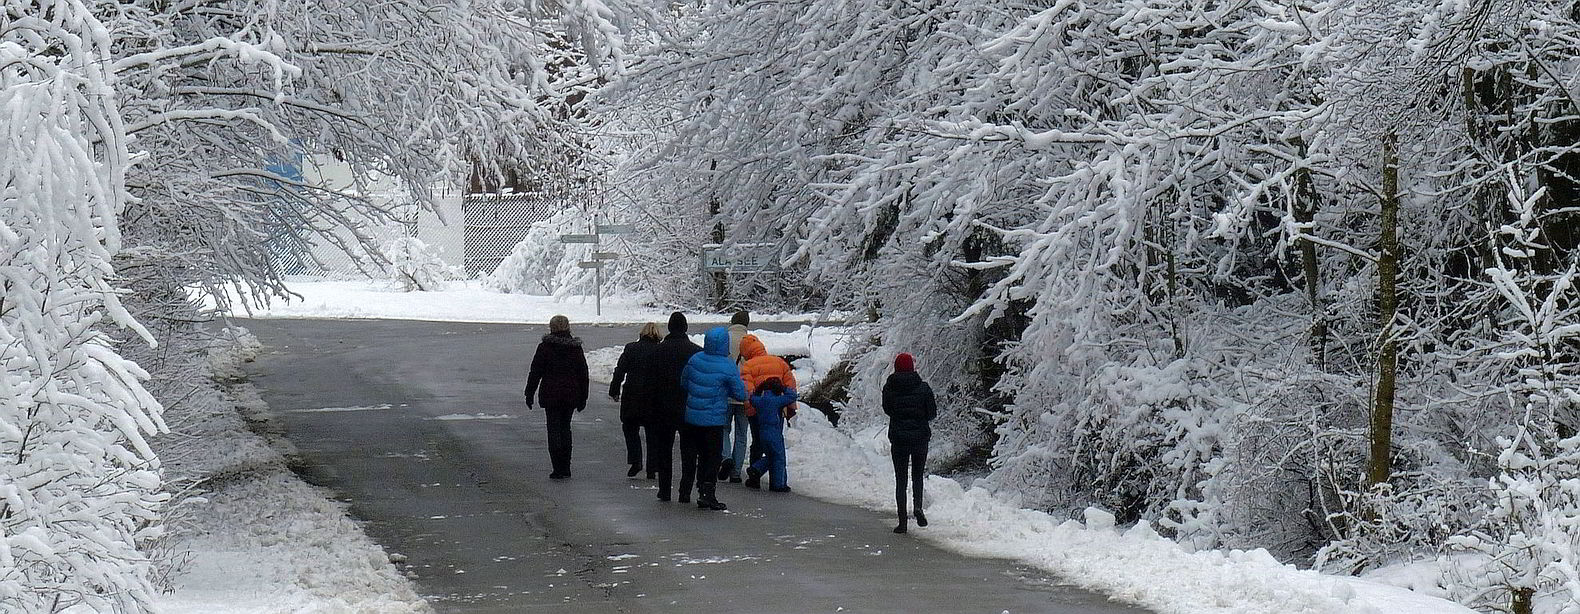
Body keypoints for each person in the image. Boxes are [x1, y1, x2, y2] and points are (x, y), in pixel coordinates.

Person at [681, 326, 747, 511]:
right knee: (711, 457)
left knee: (695, 455)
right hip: (713, 420)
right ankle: (707, 492)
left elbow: (683, 382)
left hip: (692, 417)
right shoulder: (727, 365)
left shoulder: (694, 359)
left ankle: (693, 489)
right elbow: (740, 393)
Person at [524, 315, 589, 480]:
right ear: (568, 327)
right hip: (570, 394)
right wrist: (583, 397)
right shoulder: (575, 349)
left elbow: (535, 372)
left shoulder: (545, 348)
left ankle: (557, 468)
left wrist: (529, 393)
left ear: (551, 328)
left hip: (551, 394)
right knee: (565, 428)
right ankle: (566, 467)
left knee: (553, 429)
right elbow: (583, 375)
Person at [650, 312, 701, 501]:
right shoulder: (696, 352)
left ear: (669, 328)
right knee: (689, 451)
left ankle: (664, 489)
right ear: (686, 328)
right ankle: (685, 491)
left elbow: (650, 382)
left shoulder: (657, 352)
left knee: (664, 450)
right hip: (689, 407)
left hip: (662, 408)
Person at [882, 352, 936, 533]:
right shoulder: (924, 388)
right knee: (918, 475)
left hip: (899, 439)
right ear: (912, 368)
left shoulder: (890, 388)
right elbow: (932, 414)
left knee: (901, 479)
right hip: (920, 438)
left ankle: (902, 521)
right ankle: (918, 507)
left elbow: (887, 410)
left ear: (896, 368)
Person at [736, 334, 797, 489]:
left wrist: (751, 410)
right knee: (777, 447)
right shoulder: (779, 362)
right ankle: (778, 481)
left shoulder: (748, 366)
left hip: (759, 410)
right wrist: (790, 408)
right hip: (777, 410)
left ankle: (755, 476)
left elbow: (748, 390)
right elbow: (791, 384)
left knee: (758, 443)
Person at [610, 322, 662, 478]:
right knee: (653, 433)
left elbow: (620, 370)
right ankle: (652, 467)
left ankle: (635, 460)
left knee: (630, 428)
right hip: (653, 397)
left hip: (632, 395)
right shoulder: (660, 351)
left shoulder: (631, 348)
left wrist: (614, 390)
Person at [746, 377, 796, 492]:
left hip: (762, 432)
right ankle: (776, 484)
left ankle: (756, 468)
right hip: (774, 432)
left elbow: (752, 398)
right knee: (777, 458)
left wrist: (759, 389)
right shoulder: (777, 400)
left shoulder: (760, 401)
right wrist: (784, 388)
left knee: (770, 456)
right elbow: (792, 396)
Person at [718, 310, 752, 482]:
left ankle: (725, 458)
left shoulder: (724, 339)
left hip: (725, 391)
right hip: (744, 392)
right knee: (741, 433)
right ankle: (736, 472)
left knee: (723, 428)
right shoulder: (752, 341)